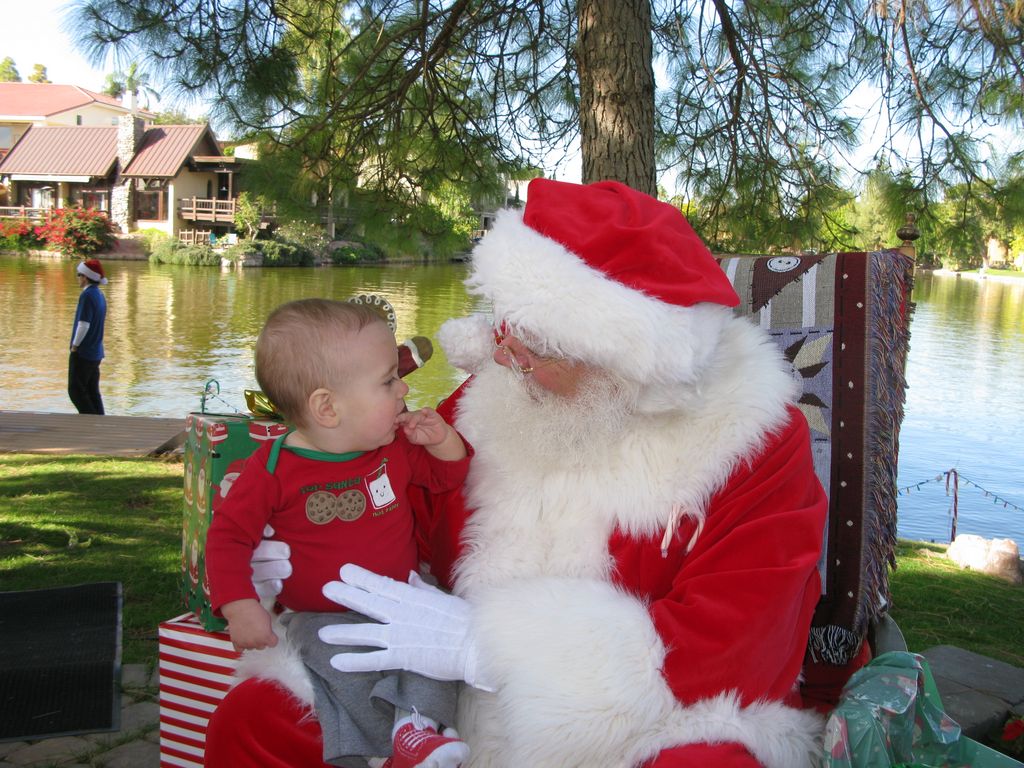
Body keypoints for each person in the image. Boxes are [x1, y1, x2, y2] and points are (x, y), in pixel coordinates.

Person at [206, 179, 830, 768]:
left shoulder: (752, 442)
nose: (503, 355)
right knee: (257, 717)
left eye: (534, 345)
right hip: (440, 695)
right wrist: (300, 541)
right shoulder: (497, 393)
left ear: (623, 362)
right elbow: (407, 515)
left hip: (638, 717)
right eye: (505, 327)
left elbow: (739, 646)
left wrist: (491, 648)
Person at [205, 298, 473, 768]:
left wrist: (443, 441)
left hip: (406, 596)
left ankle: (419, 730)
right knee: (344, 668)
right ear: (327, 407)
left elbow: (445, 480)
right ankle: (376, 749)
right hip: (324, 613)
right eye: (388, 380)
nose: (403, 388)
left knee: (436, 647)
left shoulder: (389, 448)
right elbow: (228, 539)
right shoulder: (272, 471)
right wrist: (241, 605)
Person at [68, 258, 107, 415]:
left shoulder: (87, 296)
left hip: (84, 351)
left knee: (75, 390)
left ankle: (90, 420)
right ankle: (100, 419)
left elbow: (83, 324)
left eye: (79, 275)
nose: (77, 278)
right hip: (96, 351)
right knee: (92, 390)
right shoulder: (100, 295)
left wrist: (75, 346)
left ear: (85, 277)